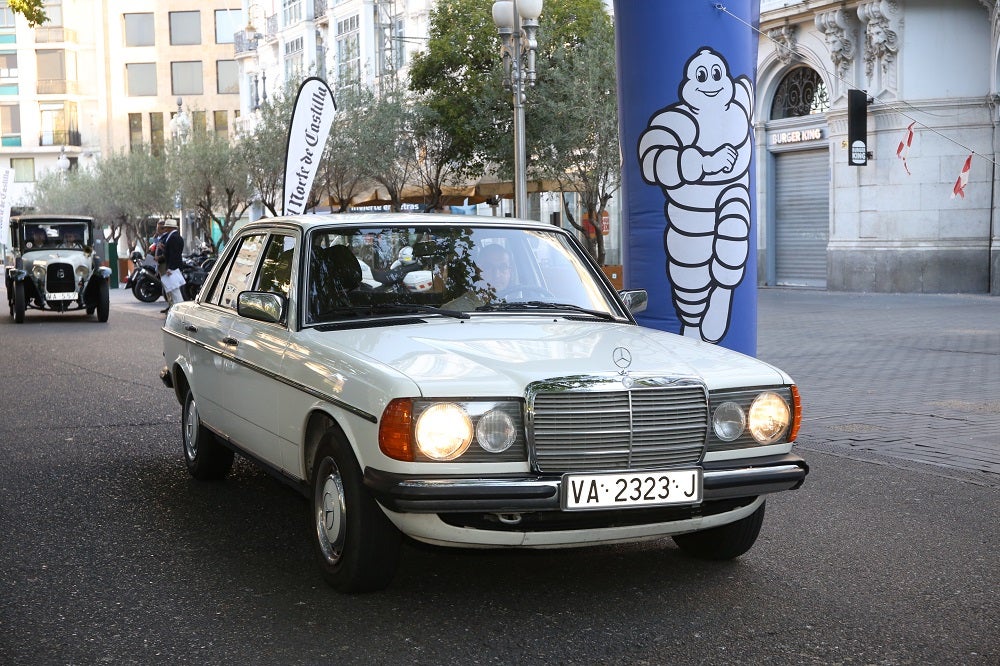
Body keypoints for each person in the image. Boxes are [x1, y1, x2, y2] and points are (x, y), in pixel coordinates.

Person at [159, 219, 185, 313]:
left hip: (174, 267)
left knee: (175, 290)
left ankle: (179, 309)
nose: (165, 228)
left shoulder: (174, 237)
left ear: (169, 228)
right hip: (174, 266)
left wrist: (170, 268)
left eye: (166, 227)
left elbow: (174, 254)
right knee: (174, 290)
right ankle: (176, 308)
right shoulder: (174, 237)